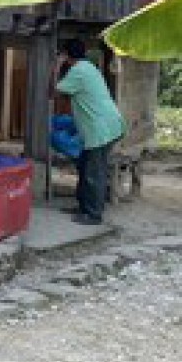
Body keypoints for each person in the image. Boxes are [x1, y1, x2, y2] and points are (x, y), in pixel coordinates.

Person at [50, 39, 125, 225]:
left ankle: (93, 214)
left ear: (67, 56)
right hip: (107, 126)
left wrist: (56, 66)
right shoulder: (89, 67)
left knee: (93, 173)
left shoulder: (78, 71)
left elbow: (52, 92)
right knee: (85, 167)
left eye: (63, 55)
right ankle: (84, 207)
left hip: (101, 131)